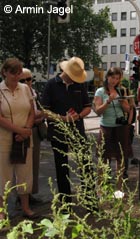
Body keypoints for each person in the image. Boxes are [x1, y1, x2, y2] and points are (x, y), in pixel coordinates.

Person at [41, 57, 92, 205]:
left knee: (86, 165)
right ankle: (66, 204)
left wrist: (79, 115)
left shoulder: (79, 85)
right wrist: (62, 119)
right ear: (66, 72)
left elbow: (87, 107)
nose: (74, 80)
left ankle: (90, 200)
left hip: (77, 131)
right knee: (62, 168)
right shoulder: (51, 85)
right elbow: (45, 111)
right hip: (58, 132)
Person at [0, 58, 36, 219]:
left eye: (19, 72)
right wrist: (19, 131)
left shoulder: (25, 89)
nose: (16, 76)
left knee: (25, 174)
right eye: (13, 72)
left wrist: (27, 130)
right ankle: (2, 213)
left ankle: (26, 208)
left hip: (25, 138)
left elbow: (32, 112)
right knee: (4, 176)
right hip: (4, 139)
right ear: (4, 72)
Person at [93, 67, 133, 192]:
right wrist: (108, 101)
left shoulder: (121, 90)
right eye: (112, 77)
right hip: (106, 127)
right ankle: (100, 188)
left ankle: (119, 189)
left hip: (120, 128)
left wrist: (122, 101)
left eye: (117, 78)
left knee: (120, 158)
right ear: (107, 77)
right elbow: (98, 111)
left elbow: (128, 109)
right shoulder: (100, 91)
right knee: (103, 158)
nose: (114, 81)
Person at [19, 68, 44, 204]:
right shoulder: (17, 94)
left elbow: (41, 111)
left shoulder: (35, 93)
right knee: (20, 167)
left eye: (29, 79)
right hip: (21, 132)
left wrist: (40, 117)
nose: (27, 82)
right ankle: (20, 197)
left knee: (33, 166)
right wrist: (36, 117)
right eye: (23, 80)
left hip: (35, 132)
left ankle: (30, 195)